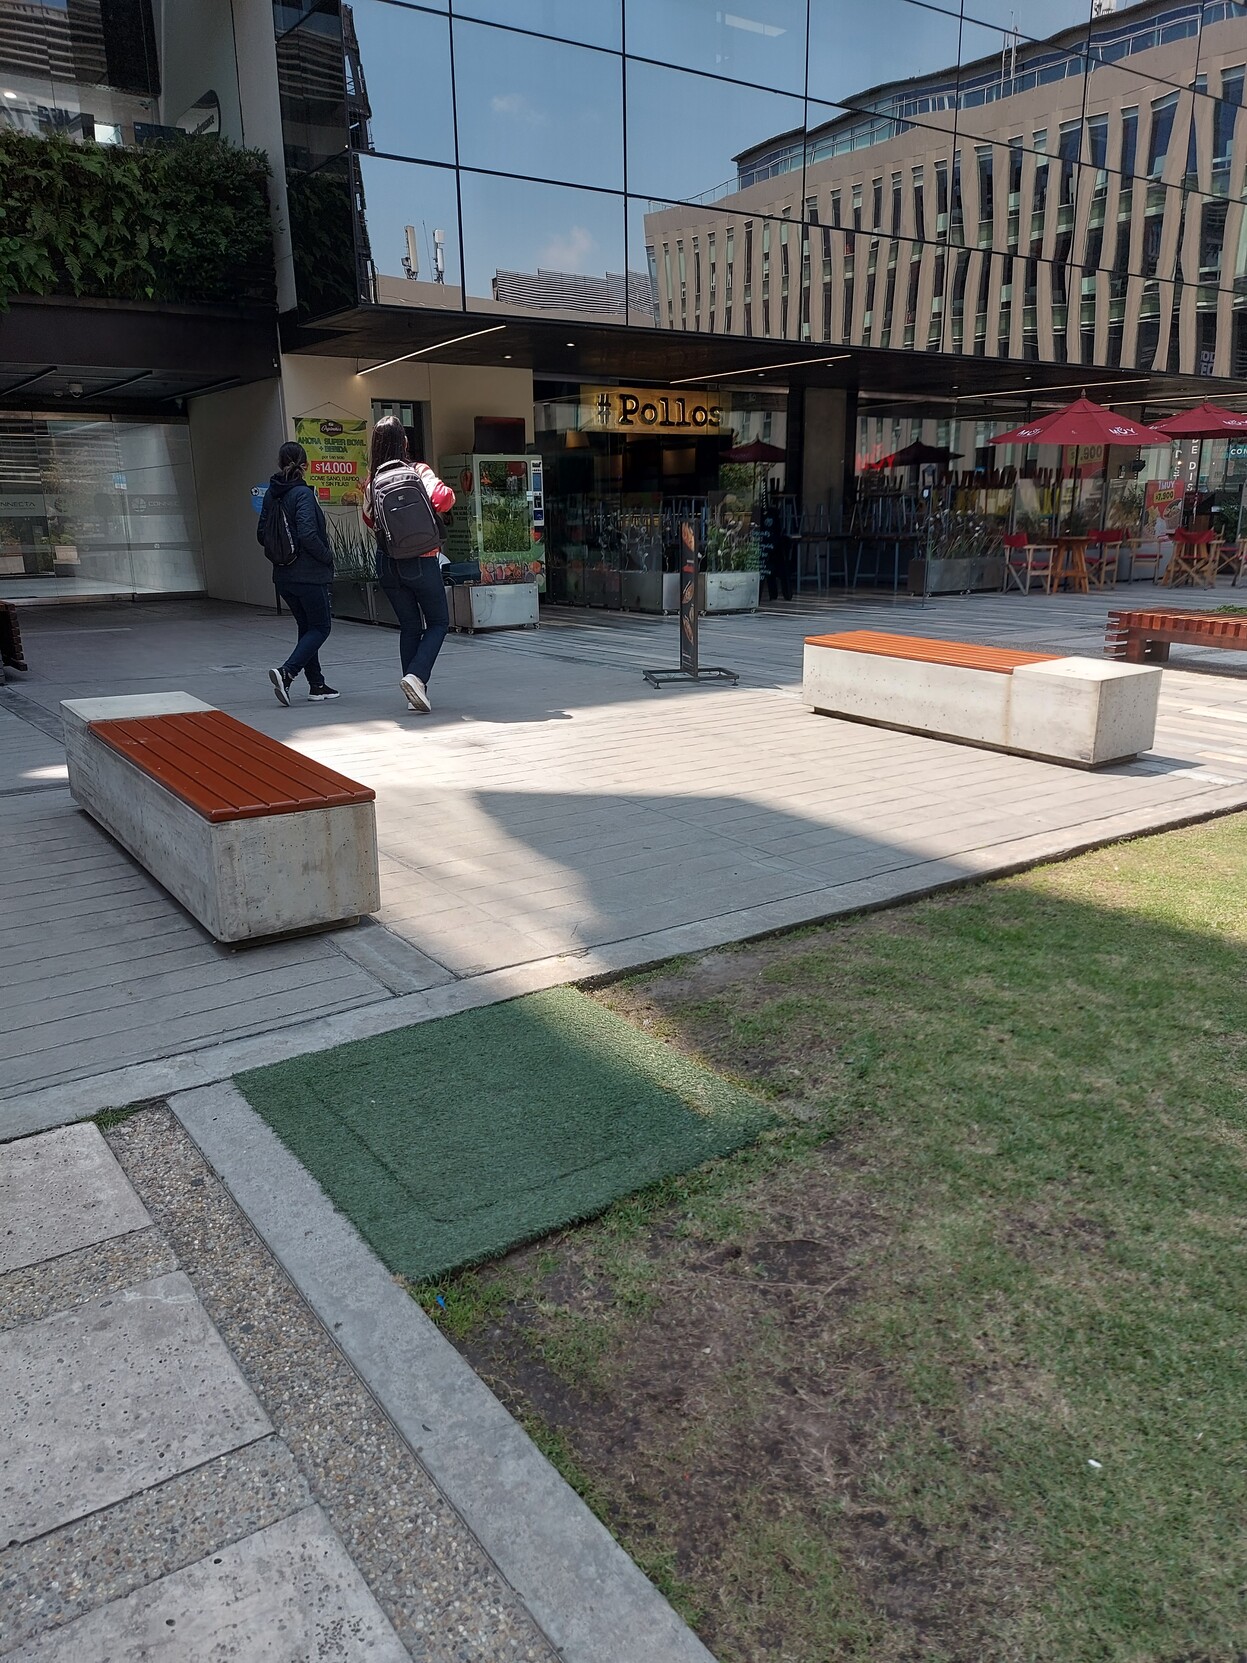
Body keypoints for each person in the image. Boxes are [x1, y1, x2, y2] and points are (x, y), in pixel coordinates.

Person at [362, 415, 456, 713]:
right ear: (404, 442)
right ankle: (416, 677)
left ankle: (414, 694)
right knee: (438, 622)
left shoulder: (372, 481)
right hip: (421, 561)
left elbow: (368, 520)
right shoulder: (418, 471)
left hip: (387, 562)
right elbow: (443, 498)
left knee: (410, 626)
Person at [257, 441, 338, 705]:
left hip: (283, 575)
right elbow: (308, 534)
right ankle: (287, 672)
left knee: (307, 628)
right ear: (305, 465)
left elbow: (262, 535)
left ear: (280, 463)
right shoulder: (302, 494)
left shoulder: (271, 494)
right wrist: (328, 557)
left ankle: (317, 685)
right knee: (321, 627)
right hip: (309, 575)